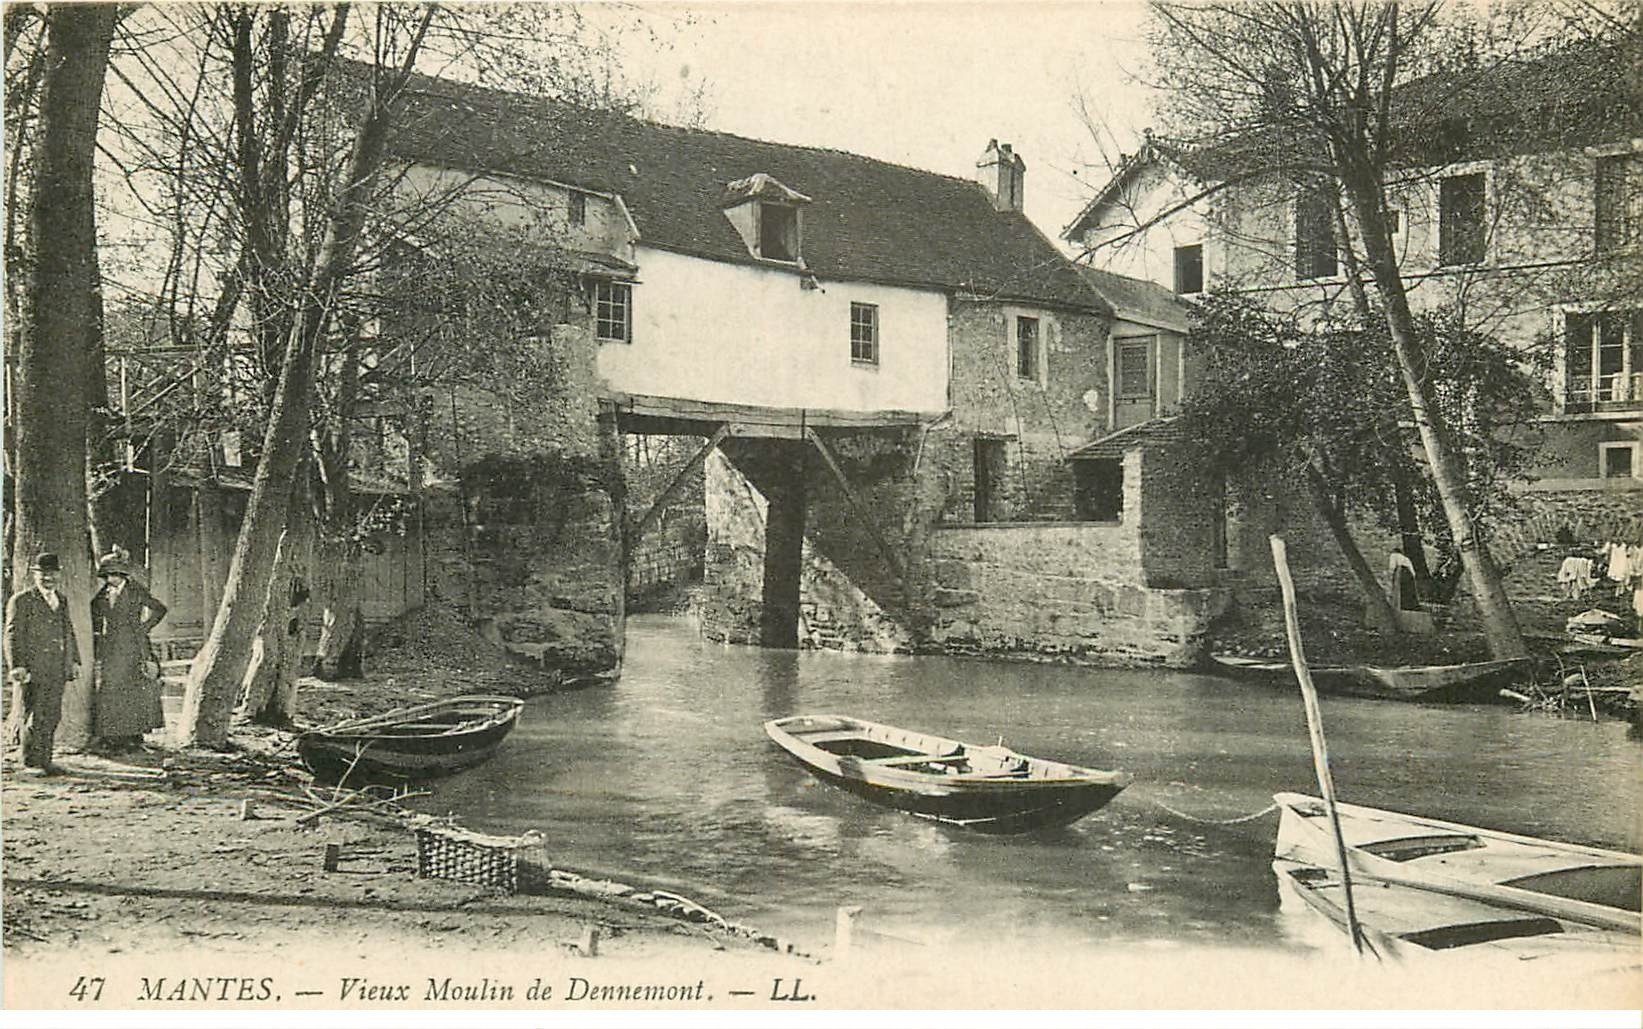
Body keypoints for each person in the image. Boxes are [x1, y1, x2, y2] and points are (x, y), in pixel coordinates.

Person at [4, 552, 81, 775]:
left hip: (57, 667)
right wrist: (17, 666)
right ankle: (30, 762)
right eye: (43, 575)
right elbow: (12, 635)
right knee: (34, 715)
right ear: (34, 575)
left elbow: (68, 631)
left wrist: (74, 660)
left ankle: (46, 760)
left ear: (59, 574)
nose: (48, 579)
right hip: (32, 669)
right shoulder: (22, 600)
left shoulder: (61, 599)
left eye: (52, 574)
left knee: (52, 714)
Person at [90, 548, 168, 752]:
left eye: (114, 574)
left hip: (135, 645)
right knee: (112, 688)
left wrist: (144, 627)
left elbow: (159, 608)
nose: (111, 579)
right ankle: (113, 735)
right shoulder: (103, 594)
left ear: (123, 574)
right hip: (112, 646)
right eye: (107, 575)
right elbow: (94, 612)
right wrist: (98, 634)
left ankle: (135, 735)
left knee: (135, 689)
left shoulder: (136, 590)